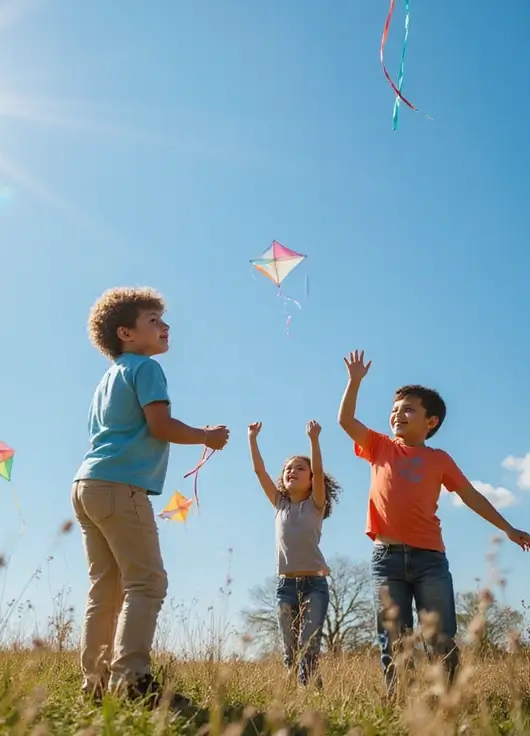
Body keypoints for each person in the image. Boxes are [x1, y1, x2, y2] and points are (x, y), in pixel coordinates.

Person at [338, 349, 530, 694]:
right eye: (395, 409)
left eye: (409, 409)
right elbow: (346, 422)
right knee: (394, 639)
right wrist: (354, 382)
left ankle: (448, 703)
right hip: (386, 560)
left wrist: (507, 527)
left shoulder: (439, 459)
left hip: (430, 559)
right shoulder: (380, 446)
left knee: (441, 637)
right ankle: (399, 705)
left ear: (431, 422)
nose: (398, 414)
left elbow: (471, 496)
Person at [71, 286, 230, 704]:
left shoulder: (109, 377)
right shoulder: (145, 369)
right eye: (153, 321)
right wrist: (205, 437)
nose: (165, 326)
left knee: (105, 589)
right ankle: (133, 680)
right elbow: (161, 426)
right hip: (120, 488)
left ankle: (95, 685)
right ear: (126, 332)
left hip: (87, 485)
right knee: (148, 582)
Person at [247, 419, 341, 685]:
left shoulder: (315, 504)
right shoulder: (279, 504)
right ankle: (297, 699)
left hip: (314, 585)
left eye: (300, 468)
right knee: (290, 651)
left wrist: (314, 439)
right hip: (285, 585)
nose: (292, 471)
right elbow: (259, 471)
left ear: (311, 479)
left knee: (308, 647)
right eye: (288, 469)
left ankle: (312, 698)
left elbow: (319, 469)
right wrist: (252, 439)